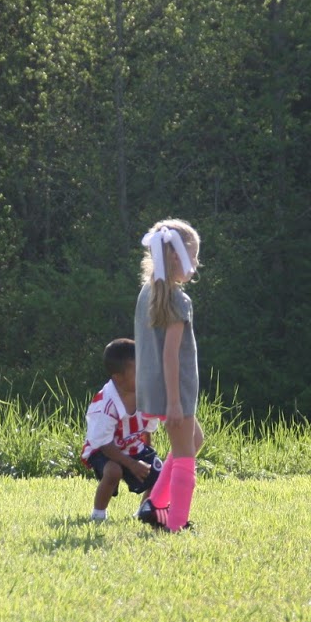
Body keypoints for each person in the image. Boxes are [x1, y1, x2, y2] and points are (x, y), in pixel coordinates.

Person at [133, 219, 202, 533]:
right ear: (177, 257)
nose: (196, 265)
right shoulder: (177, 299)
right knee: (186, 457)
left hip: (154, 387)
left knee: (195, 439)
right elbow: (170, 355)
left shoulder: (148, 292)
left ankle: (155, 503)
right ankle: (176, 524)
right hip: (175, 390)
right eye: (193, 256)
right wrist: (174, 402)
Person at [81, 338, 162, 521]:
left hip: (132, 446)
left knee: (159, 473)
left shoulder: (147, 396)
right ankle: (98, 514)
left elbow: (147, 429)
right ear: (118, 378)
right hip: (103, 450)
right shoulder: (105, 405)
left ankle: (144, 512)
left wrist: (148, 453)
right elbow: (104, 444)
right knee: (114, 471)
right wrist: (132, 464)